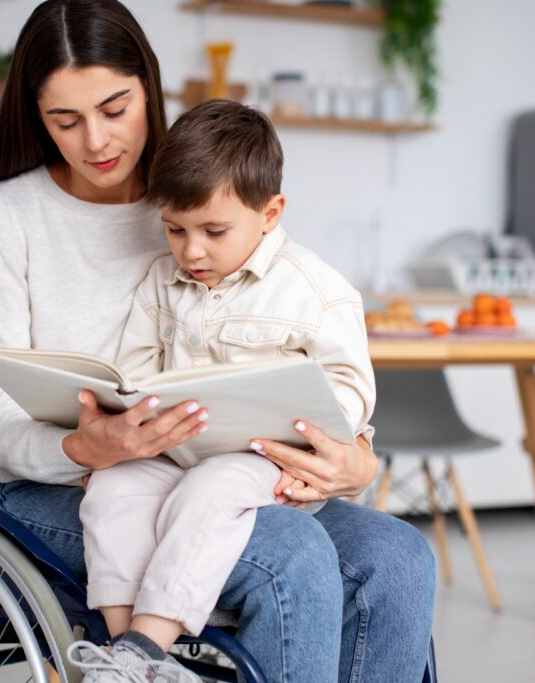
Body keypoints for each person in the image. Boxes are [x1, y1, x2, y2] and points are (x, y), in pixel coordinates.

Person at [0, 1, 436, 681]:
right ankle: (134, 658)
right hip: (60, 487)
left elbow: (290, 338)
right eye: (66, 120)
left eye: (115, 109)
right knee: (288, 554)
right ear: (36, 118)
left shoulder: (197, 195)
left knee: (400, 557)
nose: (95, 141)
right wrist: (82, 447)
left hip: (217, 467)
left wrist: (354, 459)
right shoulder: (12, 218)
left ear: (149, 86)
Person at [71, 98, 378, 680]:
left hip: (259, 461)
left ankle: (147, 645)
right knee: (111, 487)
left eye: (214, 231)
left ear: (270, 212)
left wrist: (319, 438)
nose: (191, 251)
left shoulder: (315, 290)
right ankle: (120, 659)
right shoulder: (161, 281)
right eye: (174, 230)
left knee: (211, 490)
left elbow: (350, 390)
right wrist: (120, 409)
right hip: (175, 452)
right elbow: (133, 369)